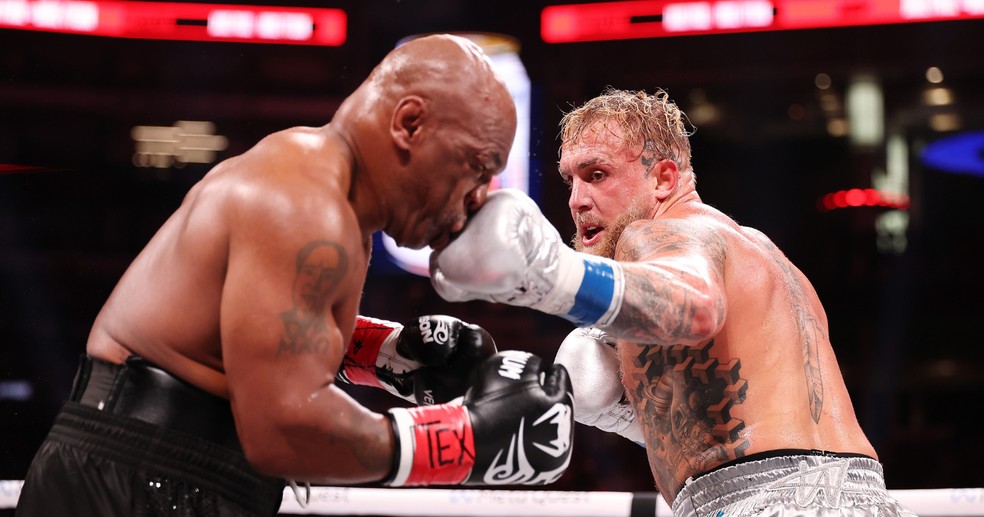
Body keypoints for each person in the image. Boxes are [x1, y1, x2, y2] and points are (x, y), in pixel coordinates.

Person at [17, 34, 574, 517]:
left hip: (175, 472)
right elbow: (284, 428)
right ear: (409, 123)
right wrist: (464, 441)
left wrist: (391, 356)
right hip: (138, 474)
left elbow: (253, 328)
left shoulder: (322, 195)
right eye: (477, 166)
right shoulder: (301, 202)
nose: (480, 198)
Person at [430, 87, 916, 516]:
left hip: (761, 503)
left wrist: (543, 272)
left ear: (663, 179)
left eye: (597, 174)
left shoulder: (661, 233)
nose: (576, 200)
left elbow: (694, 305)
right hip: (868, 499)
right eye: (570, 180)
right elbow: (730, 420)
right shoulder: (766, 259)